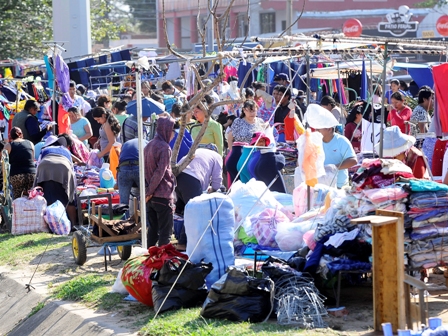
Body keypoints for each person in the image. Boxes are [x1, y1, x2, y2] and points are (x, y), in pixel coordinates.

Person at [174, 145, 223, 251]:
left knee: (182, 210)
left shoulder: (198, 151)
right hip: (191, 179)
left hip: (177, 177)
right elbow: (217, 179)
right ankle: (183, 242)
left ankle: (176, 235)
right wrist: (214, 189)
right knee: (194, 212)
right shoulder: (217, 156)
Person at [306, 104, 357, 188]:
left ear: (329, 129)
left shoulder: (341, 141)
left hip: (339, 185)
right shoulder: (315, 141)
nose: (316, 131)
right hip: (320, 184)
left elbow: (353, 160)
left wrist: (334, 167)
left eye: (318, 129)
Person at [144, 116, 176, 247]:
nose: (174, 134)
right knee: (165, 233)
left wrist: (148, 192)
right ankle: (163, 264)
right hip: (161, 195)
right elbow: (160, 172)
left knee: (153, 231)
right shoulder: (164, 148)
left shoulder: (149, 145)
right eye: (173, 130)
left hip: (152, 197)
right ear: (167, 130)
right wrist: (150, 191)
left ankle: (147, 260)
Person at [35, 135, 77, 227]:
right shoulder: (66, 151)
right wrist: (72, 188)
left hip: (45, 168)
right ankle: (73, 224)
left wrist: (36, 184)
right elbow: (71, 168)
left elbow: (38, 165)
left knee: (47, 196)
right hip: (63, 168)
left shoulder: (45, 150)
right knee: (68, 198)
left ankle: (50, 225)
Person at [4, 127, 36, 199]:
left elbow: (3, 162)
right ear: (21, 134)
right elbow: (32, 159)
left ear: (11, 136)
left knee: (17, 197)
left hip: (16, 175)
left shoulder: (8, 146)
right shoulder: (30, 143)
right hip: (31, 174)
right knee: (31, 197)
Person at [117, 138, 148, 207]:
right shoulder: (147, 143)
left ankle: (123, 216)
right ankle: (144, 216)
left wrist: (118, 181)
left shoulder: (125, 144)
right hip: (138, 167)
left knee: (123, 203)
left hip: (123, 168)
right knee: (145, 200)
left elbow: (119, 164)